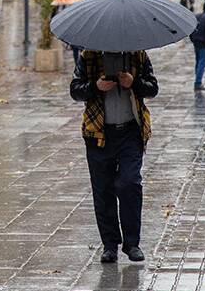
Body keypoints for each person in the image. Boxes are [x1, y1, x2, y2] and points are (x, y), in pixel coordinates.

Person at [70, 50, 158, 264]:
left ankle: (132, 243)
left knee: (129, 183)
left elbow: (153, 88)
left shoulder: (137, 55)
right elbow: (75, 90)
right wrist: (95, 87)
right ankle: (110, 246)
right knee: (103, 190)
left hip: (131, 132)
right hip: (98, 134)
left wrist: (133, 82)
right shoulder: (88, 57)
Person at [190, 1, 205, 91]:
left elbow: (191, 28)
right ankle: (198, 82)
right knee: (202, 62)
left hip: (196, 41)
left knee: (198, 61)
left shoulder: (197, 16)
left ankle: (197, 79)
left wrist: (192, 38)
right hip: (203, 43)